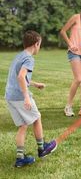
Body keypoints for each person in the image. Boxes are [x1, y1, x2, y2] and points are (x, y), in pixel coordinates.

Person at [5, 31, 57, 168]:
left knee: (23, 126)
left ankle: (20, 159)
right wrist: (27, 97)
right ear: (36, 44)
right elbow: (21, 77)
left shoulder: (19, 56)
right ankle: (42, 148)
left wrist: (34, 84)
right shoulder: (29, 59)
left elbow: (20, 77)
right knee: (37, 118)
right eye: (40, 44)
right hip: (20, 97)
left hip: (10, 96)